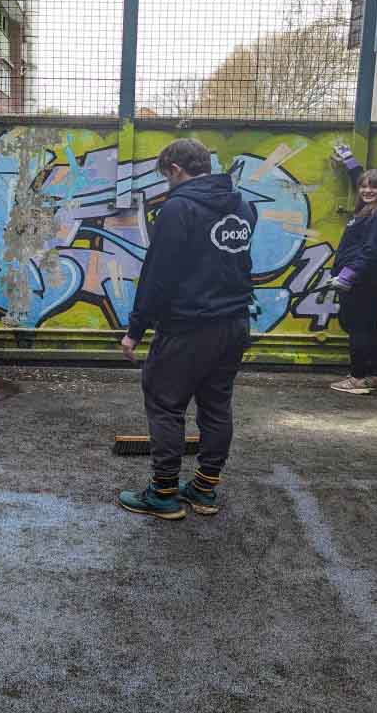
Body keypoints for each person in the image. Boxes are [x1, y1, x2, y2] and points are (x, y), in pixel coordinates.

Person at [118, 138, 256, 521]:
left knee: (165, 405)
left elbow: (157, 276)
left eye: (166, 175)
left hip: (188, 327)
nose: (166, 183)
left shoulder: (178, 208)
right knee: (216, 406)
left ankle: (162, 494)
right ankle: (204, 489)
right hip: (233, 324)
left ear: (176, 169)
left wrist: (135, 330)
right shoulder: (243, 206)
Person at [328, 145, 377, 395]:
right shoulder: (376, 208)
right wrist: (350, 162)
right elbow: (361, 180)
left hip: (364, 278)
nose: (367, 191)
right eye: (364, 186)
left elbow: (373, 251)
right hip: (368, 276)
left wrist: (349, 274)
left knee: (357, 326)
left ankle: (358, 378)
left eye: (374, 187)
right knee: (369, 327)